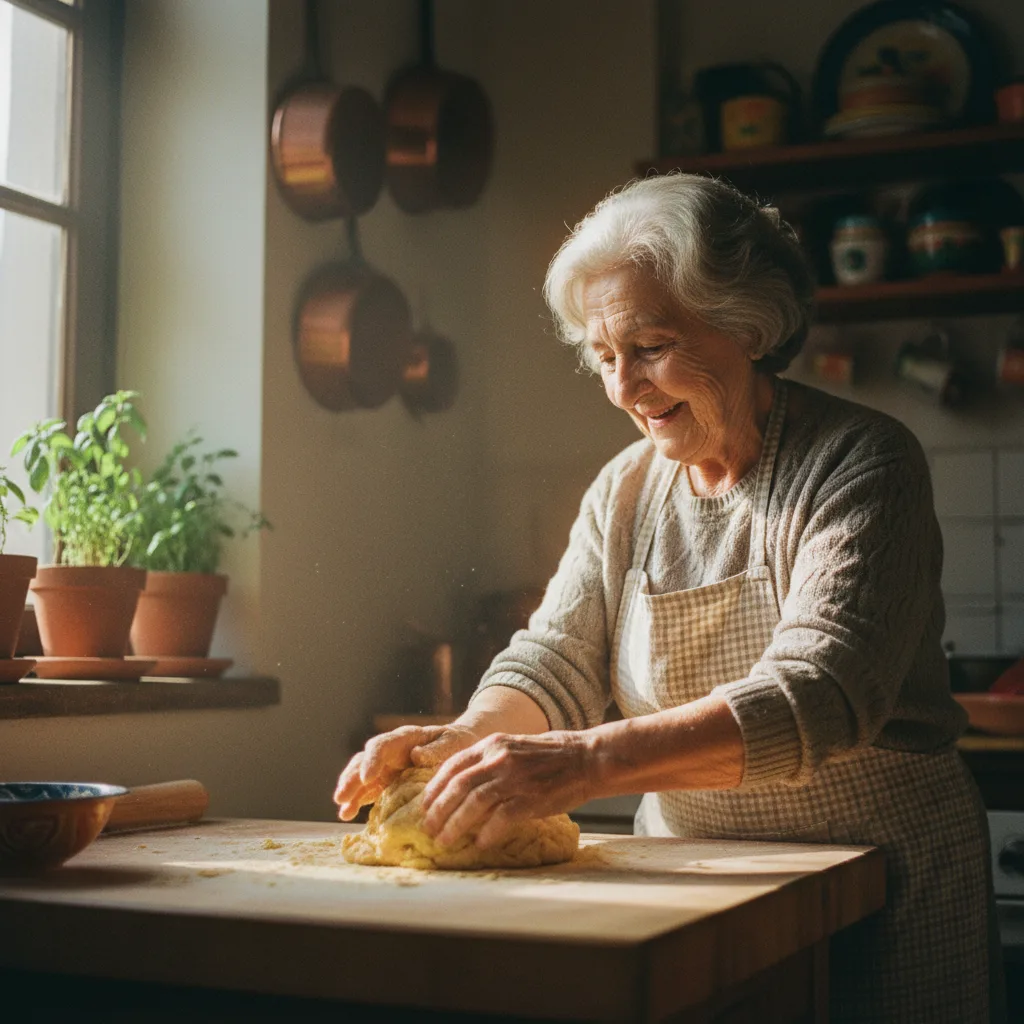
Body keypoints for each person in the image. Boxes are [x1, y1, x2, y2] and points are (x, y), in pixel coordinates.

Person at [334, 174, 1001, 1022]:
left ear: (748, 324)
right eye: (605, 358)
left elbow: (819, 696)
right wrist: (465, 741)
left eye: (648, 346)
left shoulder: (863, 462)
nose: (625, 388)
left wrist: (579, 764)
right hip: (696, 891)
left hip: (882, 880)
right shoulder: (626, 491)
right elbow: (555, 660)